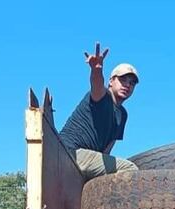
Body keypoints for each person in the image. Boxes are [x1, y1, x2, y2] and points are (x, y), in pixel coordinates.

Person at [59, 42, 140, 180]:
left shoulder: (123, 115)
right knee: (130, 169)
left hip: (88, 158)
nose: (127, 85)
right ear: (111, 81)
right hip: (69, 152)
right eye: (122, 80)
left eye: (132, 83)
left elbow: (106, 152)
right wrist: (96, 69)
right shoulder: (103, 96)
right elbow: (96, 83)